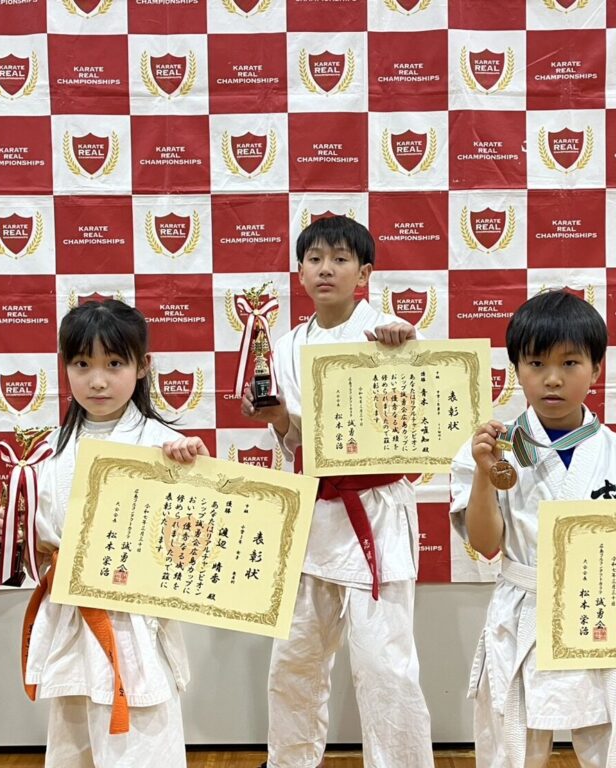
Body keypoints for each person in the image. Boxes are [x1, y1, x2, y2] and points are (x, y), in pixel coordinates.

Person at [449, 290, 616, 768]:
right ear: (515, 369)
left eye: (571, 363)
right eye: (536, 363)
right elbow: (485, 546)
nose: (553, 379)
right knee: (512, 754)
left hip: (608, 613)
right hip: (524, 613)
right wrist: (486, 473)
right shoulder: (488, 450)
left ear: (597, 369)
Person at [241, 216, 434, 768]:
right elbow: (291, 440)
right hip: (311, 511)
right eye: (315, 258)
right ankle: (289, 762)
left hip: (374, 512)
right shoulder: (282, 346)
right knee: (294, 659)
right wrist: (279, 419)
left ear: (364, 272)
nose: (327, 269)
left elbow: (416, 415)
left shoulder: (388, 335)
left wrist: (405, 348)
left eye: (341, 258)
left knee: (385, 666)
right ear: (300, 271)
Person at [0, 299, 209, 768]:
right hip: (71, 618)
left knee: (142, 745)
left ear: (143, 366)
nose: (97, 380)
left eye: (114, 364)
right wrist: (19, 531)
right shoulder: (48, 450)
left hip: (133, 621)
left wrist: (191, 467)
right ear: (65, 367)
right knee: (73, 746)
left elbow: (192, 536)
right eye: (82, 364)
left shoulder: (162, 444)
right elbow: (44, 538)